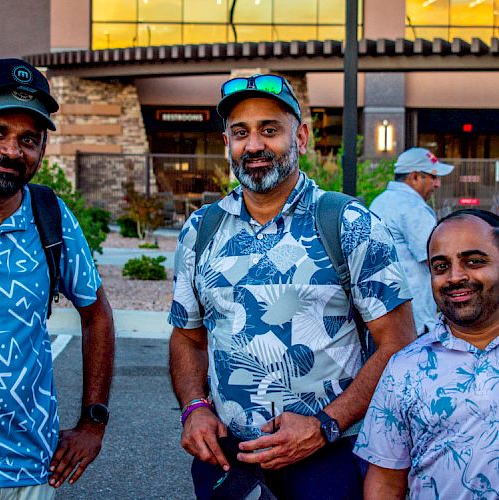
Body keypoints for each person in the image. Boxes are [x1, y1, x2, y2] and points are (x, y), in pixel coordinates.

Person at [168, 73, 416, 499]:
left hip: (330, 457)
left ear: (300, 137)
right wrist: (194, 407)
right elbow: (188, 338)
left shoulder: (349, 224)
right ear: (227, 142)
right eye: (240, 133)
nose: (254, 146)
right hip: (231, 458)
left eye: (270, 130)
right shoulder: (201, 229)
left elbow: (398, 343)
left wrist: (325, 424)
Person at [0, 58, 115, 498]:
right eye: (0, 133)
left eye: (28, 139)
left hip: (28, 468)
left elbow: (97, 315)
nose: (12, 151)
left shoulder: (51, 217)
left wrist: (93, 422)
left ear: (43, 149)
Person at [354, 209, 499, 499]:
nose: (455, 277)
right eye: (441, 267)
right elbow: (384, 483)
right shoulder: (405, 368)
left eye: (474, 261)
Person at [370, 147, 454, 335]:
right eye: (433, 177)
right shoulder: (413, 208)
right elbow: (438, 260)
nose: (437, 184)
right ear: (415, 177)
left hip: (383, 310)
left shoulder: (380, 201)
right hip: (415, 317)